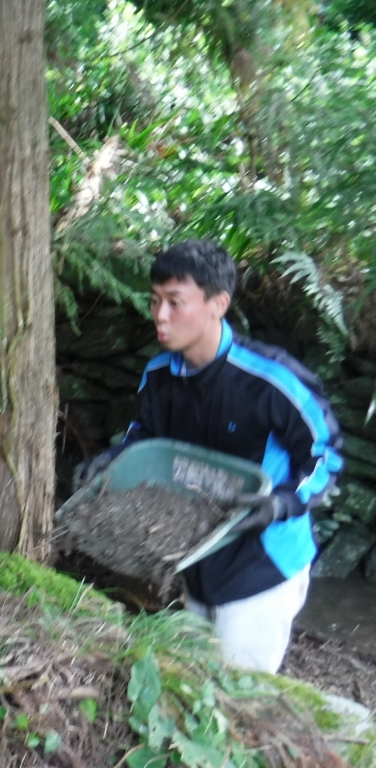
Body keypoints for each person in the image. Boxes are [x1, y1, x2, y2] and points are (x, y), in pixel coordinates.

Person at [73, 239, 342, 673]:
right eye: (155, 300)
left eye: (175, 302)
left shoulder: (270, 379)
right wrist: (113, 459)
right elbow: (145, 436)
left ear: (218, 304)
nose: (160, 315)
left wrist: (280, 504)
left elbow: (324, 454)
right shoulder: (159, 375)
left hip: (263, 561)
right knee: (195, 680)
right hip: (194, 555)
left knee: (241, 691)